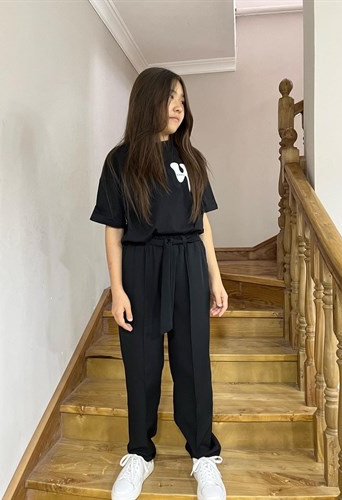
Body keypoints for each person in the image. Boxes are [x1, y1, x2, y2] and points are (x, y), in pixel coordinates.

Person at [90, 67, 228, 500]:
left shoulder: (192, 159)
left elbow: (202, 223)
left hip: (188, 262)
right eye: (170, 97)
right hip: (141, 265)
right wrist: (117, 290)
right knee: (142, 365)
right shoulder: (120, 161)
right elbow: (113, 229)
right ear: (147, 100)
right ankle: (139, 453)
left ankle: (203, 455)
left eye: (182, 99)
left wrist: (216, 278)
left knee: (193, 363)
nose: (177, 106)